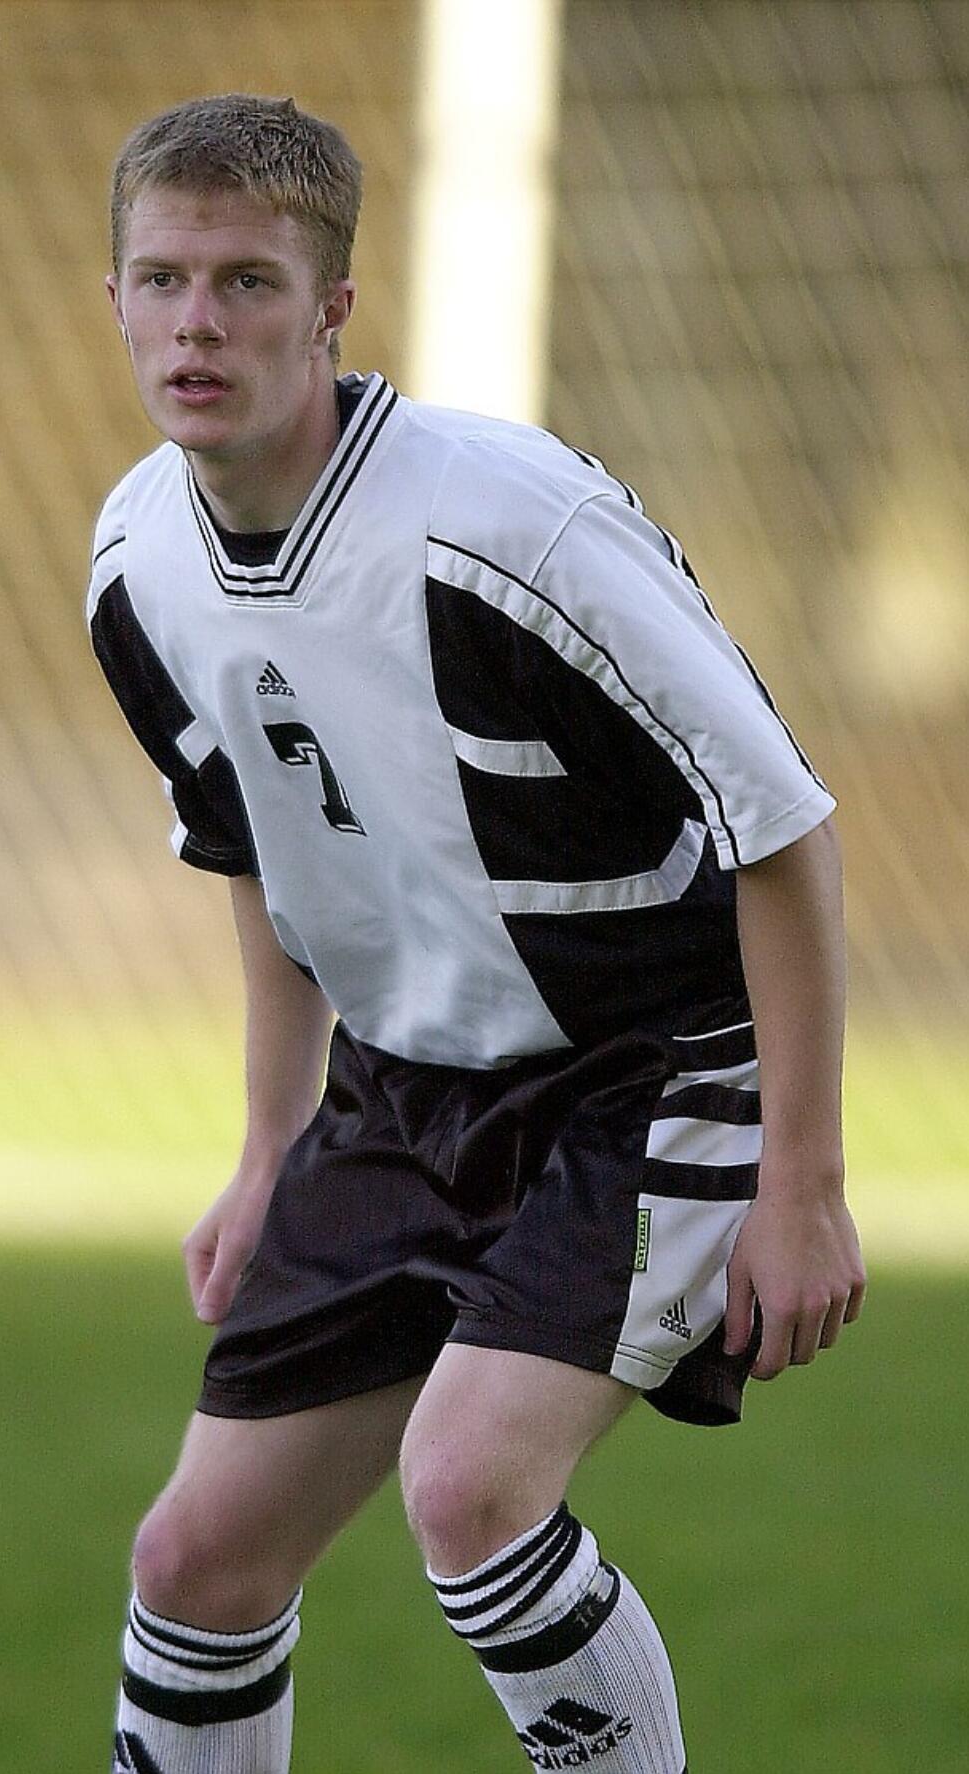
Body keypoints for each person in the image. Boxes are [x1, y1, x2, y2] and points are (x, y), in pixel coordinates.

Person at [87, 93, 866, 1774]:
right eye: (161, 280)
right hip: (396, 1090)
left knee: (468, 1485)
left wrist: (799, 1179)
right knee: (194, 1562)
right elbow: (258, 852)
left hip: (646, 1073)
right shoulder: (137, 556)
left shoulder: (503, 521)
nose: (197, 324)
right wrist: (263, 1146)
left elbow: (781, 829)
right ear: (116, 299)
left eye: (243, 282)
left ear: (332, 308)